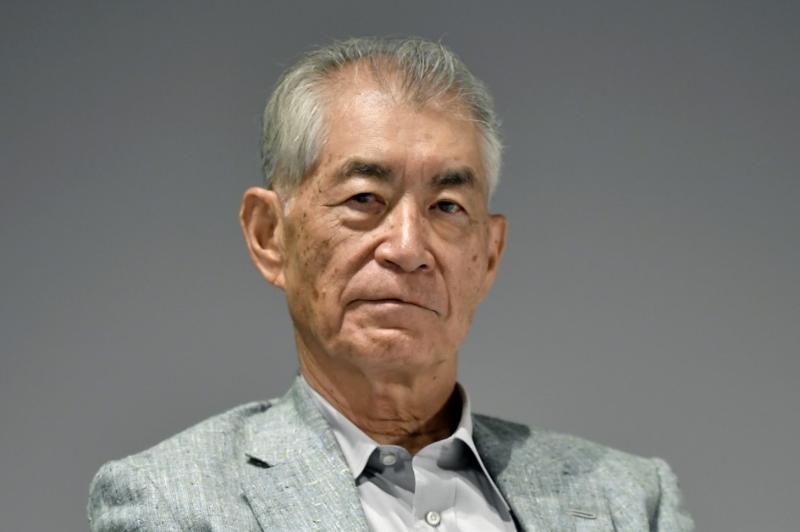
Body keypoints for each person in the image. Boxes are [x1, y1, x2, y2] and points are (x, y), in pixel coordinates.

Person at [88, 37, 694, 531]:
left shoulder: (629, 502)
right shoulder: (173, 502)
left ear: (489, 255)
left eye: (448, 206)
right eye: (364, 198)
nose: (407, 248)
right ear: (270, 235)